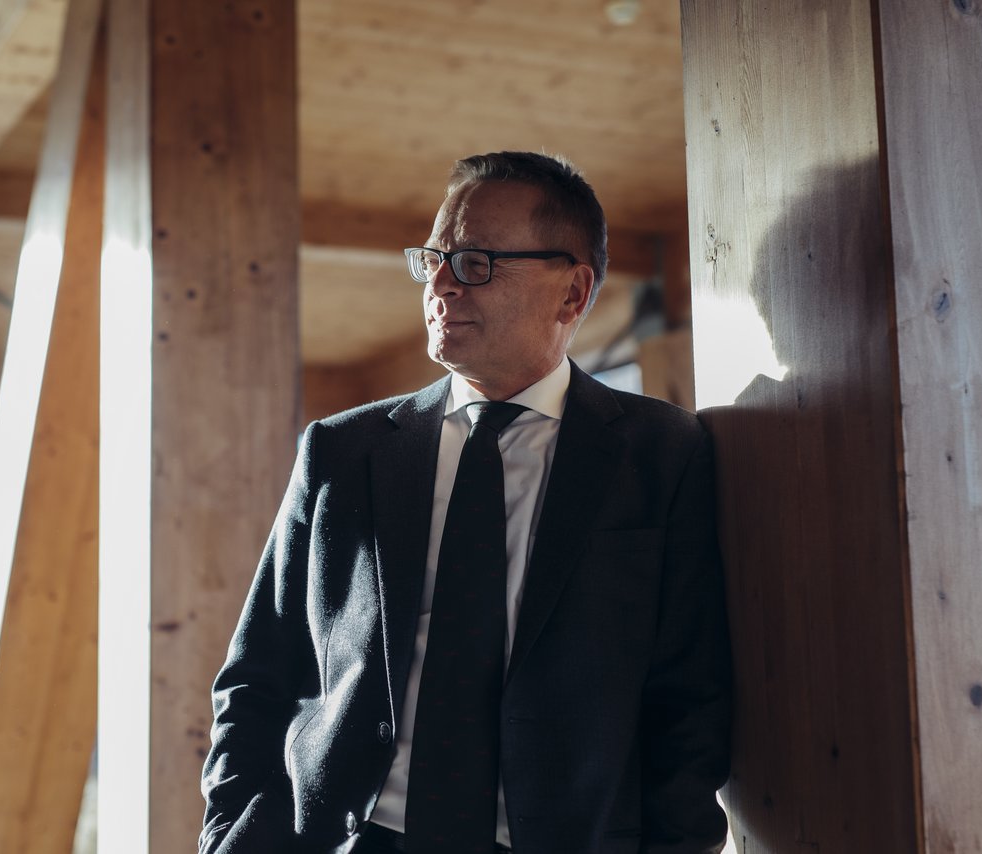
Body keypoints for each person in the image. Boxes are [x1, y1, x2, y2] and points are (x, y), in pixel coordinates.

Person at [200, 151, 732, 854]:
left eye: (476, 262)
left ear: (572, 292)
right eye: (434, 260)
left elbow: (690, 700)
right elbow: (258, 672)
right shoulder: (342, 451)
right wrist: (227, 837)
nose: (442, 284)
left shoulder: (664, 454)